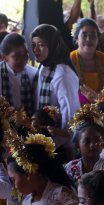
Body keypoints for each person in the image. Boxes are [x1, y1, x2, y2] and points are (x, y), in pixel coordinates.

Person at [6, 133, 78, 205]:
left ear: (28, 174)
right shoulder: (26, 200)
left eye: (13, 179)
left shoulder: (59, 193)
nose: (13, 186)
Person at [30, 24, 80, 155]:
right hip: (44, 140)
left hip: (60, 146)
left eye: (41, 44)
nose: (36, 49)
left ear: (53, 45)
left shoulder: (62, 74)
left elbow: (71, 114)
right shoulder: (43, 66)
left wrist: (58, 142)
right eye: (33, 45)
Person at [65, 104, 104, 184]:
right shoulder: (70, 168)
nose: (92, 145)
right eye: (87, 141)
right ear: (77, 145)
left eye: (97, 140)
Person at [70, 18, 104, 104]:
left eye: (93, 35)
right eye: (84, 35)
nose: (88, 39)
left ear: (98, 40)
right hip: (74, 110)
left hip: (101, 109)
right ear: (76, 39)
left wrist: (98, 99)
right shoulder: (70, 59)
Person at [0, 33, 37, 115]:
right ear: (4, 58)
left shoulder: (33, 73)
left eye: (25, 54)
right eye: (17, 56)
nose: (23, 59)